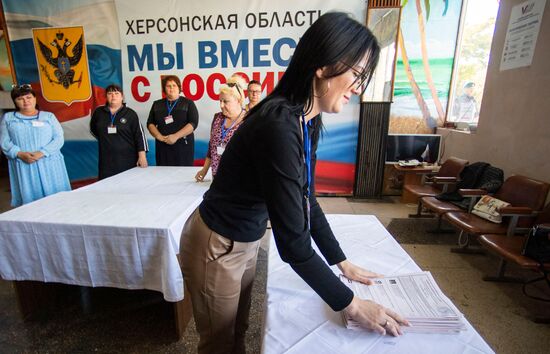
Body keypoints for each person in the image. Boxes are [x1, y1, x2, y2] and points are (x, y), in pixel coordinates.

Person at [179, 12, 408, 354]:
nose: (358, 88)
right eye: (356, 74)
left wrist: (340, 261)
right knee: (218, 343)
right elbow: (294, 247)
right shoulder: (278, 124)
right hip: (218, 243)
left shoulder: (306, 119)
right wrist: (351, 304)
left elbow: (306, 198)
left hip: (245, 238)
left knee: (237, 332)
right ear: (323, 65)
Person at [0, 84, 71, 206]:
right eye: (20, 99)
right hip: (24, 164)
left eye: (28, 97)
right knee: (32, 205)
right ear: (15, 102)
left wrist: (41, 153)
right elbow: (4, 142)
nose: (25, 101)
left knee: (58, 202)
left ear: (34, 98)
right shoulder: (8, 118)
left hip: (49, 163)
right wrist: (20, 154)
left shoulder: (48, 116)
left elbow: (58, 138)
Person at [90, 84, 148, 180]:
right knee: (106, 187)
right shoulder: (98, 113)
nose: (113, 96)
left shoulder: (130, 114)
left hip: (127, 159)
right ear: (106, 96)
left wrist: (142, 156)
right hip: (106, 160)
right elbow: (93, 130)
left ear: (122, 97)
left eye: (116, 93)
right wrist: (107, 140)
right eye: (110, 93)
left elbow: (139, 135)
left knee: (128, 186)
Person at [195, 75, 247, 182]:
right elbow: (211, 147)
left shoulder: (249, 121)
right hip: (217, 179)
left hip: (240, 180)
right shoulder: (217, 118)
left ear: (238, 100)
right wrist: (204, 170)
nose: (221, 105)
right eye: (220, 101)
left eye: (225, 101)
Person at [147, 75, 198, 166]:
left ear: (179, 88)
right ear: (164, 89)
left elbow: (193, 123)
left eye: (174, 85)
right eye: (168, 86)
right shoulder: (157, 104)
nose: (171, 88)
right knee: (162, 174)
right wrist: (159, 136)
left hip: (183, 147)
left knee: (182, 174)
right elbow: (150, 123)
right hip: (163, 146)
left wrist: (175, 136)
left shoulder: (188, 103)